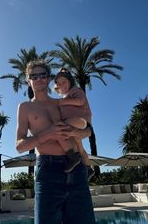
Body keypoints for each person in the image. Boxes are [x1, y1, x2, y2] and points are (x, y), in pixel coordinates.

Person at [16, 59, 96, 224]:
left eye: (42, 75)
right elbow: (19, 146)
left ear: (48, 78)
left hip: (76, 169)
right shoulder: (25, 108)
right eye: (34, 76)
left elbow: (88, 130)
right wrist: (47, 134)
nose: (39, 79)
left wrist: (75, 132)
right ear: (28, 80)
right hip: (47, 170)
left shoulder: (62, 103)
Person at [54, 68, 95, 179]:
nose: (62, 85)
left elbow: (80, 101)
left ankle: (73, 158)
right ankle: (88, 168)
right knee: (80, 147)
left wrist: (61, 102)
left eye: (64, 82)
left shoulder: (75, 90)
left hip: (81, 120)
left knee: (61, 125)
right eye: (59, 84)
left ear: (70, 81)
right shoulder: (62, 98)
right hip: (74, 124)